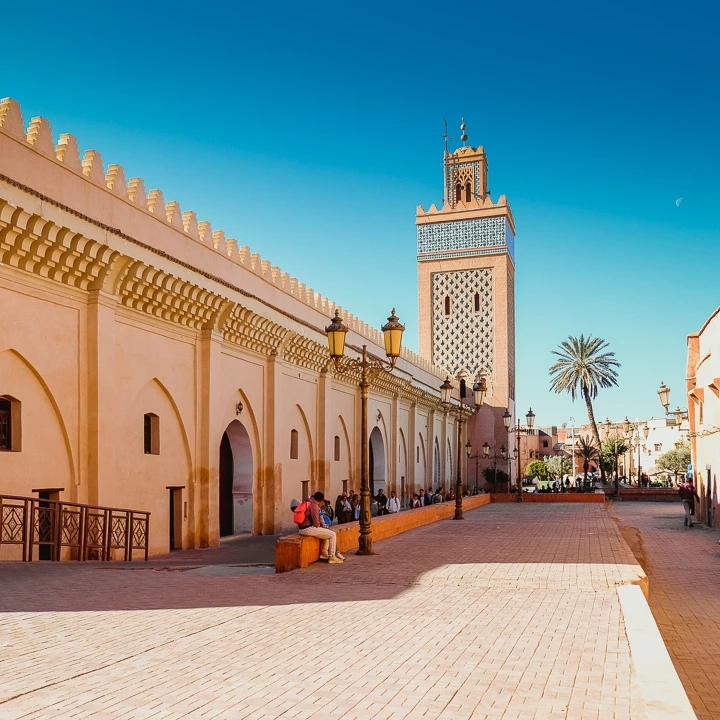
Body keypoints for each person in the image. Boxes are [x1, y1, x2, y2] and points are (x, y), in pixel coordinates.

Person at [296, 492, 344, 563]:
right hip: (307, 529)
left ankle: (324, 553)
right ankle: (332, 557)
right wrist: (321, 525)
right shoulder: (314, 506)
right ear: (321, 500)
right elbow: (316, 523)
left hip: (301, 528)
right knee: (333, 534)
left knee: (327, 534)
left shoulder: (308, 502)